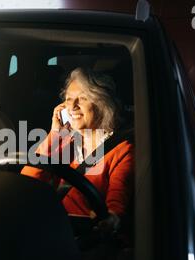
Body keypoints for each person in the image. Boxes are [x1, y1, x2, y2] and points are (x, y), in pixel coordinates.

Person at [21, 67, 134, 234]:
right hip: (52, 228)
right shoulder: (65, 141)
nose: (72, 107)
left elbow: (117, 202)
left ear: (101, 104)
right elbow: (26, 184)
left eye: (82, 99)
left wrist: (111, 219)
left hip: (86, 236)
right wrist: (54, 135)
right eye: (68, 100)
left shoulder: (122, 150)